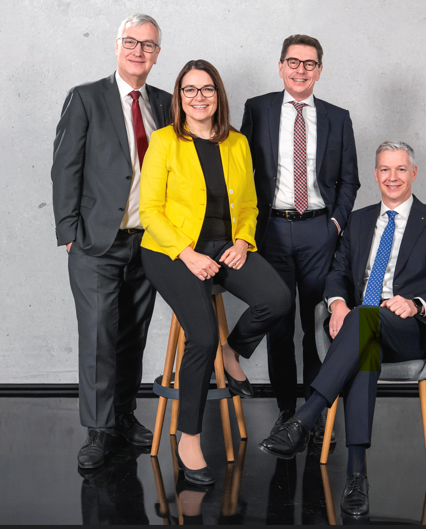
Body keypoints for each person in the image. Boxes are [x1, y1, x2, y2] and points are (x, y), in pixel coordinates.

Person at [258, 141, 426, 518]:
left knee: (364, 319)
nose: (392, 177)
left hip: (406, 330)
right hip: (361, 327)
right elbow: (337, 273)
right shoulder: (358, 220)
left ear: (413, 173)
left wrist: (416, 303)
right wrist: (337, 304)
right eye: (385, 169)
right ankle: (356, 477)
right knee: (364, 337)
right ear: (375, 174)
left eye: (400, 169)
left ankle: (305, 417)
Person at [140, 60, 291, 486]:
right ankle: (189, 437)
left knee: (278, 299)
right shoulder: (164, 141)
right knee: (202, 337)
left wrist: (243, 241)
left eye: (206, 89)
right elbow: (149, 211)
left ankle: (233, 351)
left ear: (218, 95)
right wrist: (188, 255)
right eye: (189, 90)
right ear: (179, 97)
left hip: (226, 247)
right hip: (171, 252)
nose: (199, 97)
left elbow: (250, 205)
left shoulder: (237, 142)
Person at [51, 14, 172, 470]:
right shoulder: (86, 98)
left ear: (157, 54)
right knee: (98, 336)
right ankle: (99, 430)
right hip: (96, 242)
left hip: (149, 243)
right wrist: (69, 234)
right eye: (131, 42)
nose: (139, 51)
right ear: (117, 46)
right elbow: (65, 167)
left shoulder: (165, 104)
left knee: (132, 336)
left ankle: (122, 415)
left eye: (148, 45)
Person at [240, 35, 360, 443]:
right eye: (293, 62)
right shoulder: (257, 109)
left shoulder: (337, 118)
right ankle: (286, 412)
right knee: (278, 323)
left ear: (319, 71)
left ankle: (314, 411)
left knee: (318, 324)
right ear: (280, 66)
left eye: (309, 64)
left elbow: (349, 181)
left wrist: (335, 225)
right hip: (271, 229)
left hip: (318, 231)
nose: (300, 70)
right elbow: (240, 171)